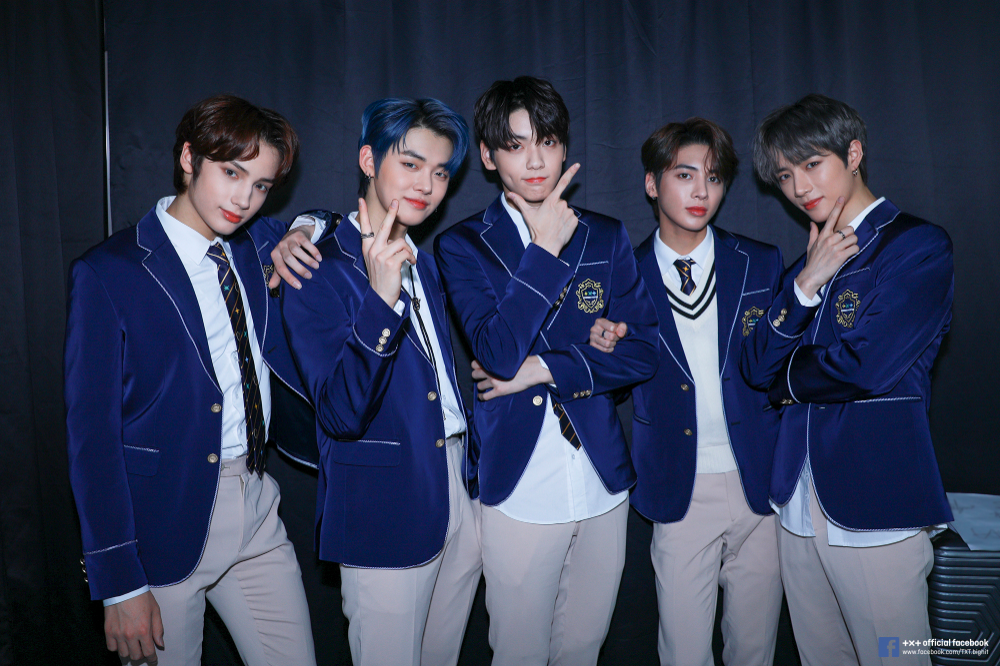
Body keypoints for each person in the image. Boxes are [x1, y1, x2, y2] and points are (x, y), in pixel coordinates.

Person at [65, 94, 320, 665]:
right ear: (189, 158)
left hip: (257, 507)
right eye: (231, 173)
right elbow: (91, 440)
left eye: (261, 184)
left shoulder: (253, 246)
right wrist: (119, 582)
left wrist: (301, 227)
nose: (244, 199)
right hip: (163, 523)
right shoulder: (108, 272)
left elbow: (325, 220)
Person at [434, 76, 659, 666]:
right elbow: (496, 353)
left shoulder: (605, 234)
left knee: (583, 647)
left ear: (564, 147)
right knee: (518, 651)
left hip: (600, 478)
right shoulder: (462, 245)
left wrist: (544, 368)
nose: (535, 160)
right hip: (517, 485)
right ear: (488, 156)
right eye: (515, 145)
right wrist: (544, 252)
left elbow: (642, 352)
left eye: (548, 141)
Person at [742, 93, 954, 666]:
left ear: (853, 154)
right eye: (784, 176)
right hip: (795, 504)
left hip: (877, 498)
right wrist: (804, 286)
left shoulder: (916, 245)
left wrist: (786, 384)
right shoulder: (804, 265)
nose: (799, 187)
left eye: (812, 164)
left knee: (895, 657)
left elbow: (868, 365)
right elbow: (753, 366)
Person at [279, 97, 481, 666]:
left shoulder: (426, 262)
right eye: (410, 164)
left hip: (454, 491)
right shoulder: (314, 265)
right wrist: (380, 298)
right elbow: (340, 414)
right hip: (382, 505)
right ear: (369, 160)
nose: (427, 185)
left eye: (441, 172)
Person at [589, 118, 784, 665]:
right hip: (678, 484)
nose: (701, 191)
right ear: (652, 184)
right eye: (684, 175)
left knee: (755, 649)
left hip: (759, 480)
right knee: (683, 652)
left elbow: (778, 365)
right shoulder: (622, 274)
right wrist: (603, 350)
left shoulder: (760, 262)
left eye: (714, 178)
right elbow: (611, 388)